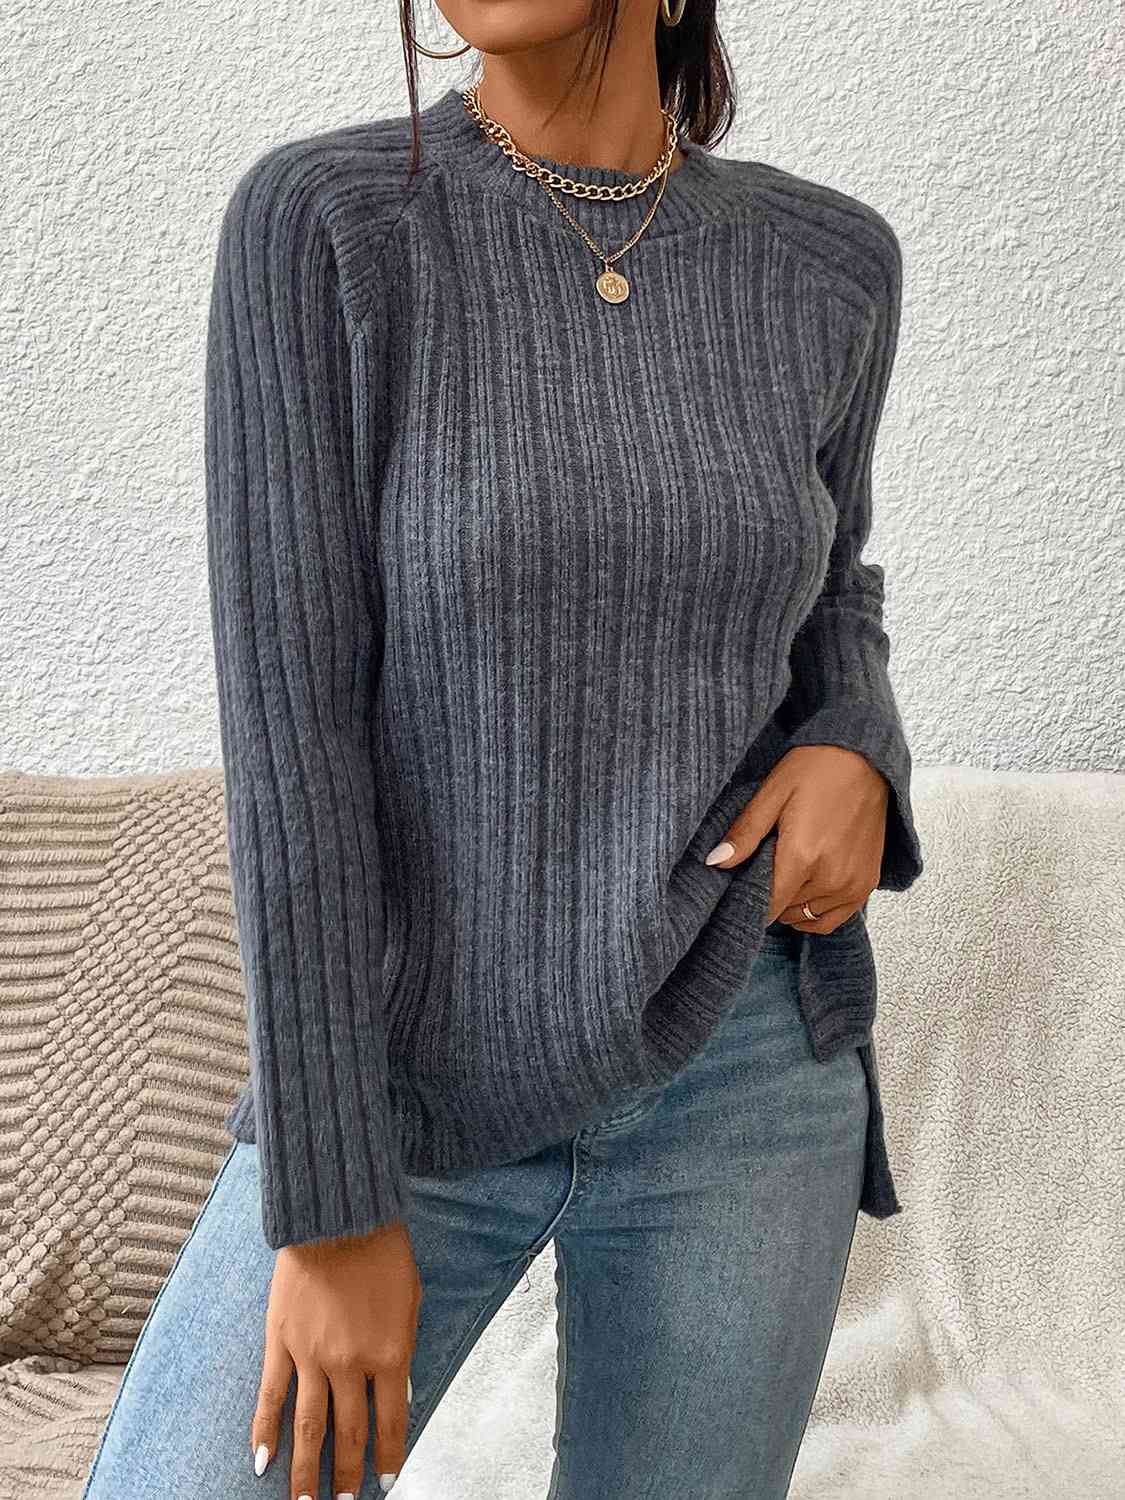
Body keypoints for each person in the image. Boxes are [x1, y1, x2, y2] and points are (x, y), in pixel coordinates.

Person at [82, 2, 924, 1496]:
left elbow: (829, 576)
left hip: (743, 1065)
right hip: (413, 1080)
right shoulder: (327, 223)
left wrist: (856, 740)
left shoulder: (828, 261)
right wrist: (332, 1206)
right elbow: (292, 748)